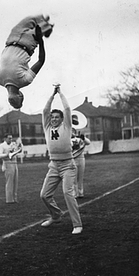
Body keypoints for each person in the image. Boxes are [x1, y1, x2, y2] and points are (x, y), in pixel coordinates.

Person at [40, 85, 83, 235]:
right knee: (44, 195)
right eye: (52, 117)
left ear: (62, 119)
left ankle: (77, 224)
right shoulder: (47, 127)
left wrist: (60, 94)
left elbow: (67, 109)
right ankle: (56, 215)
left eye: (57, 117)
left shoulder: (67, 126)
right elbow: (45, 111)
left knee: (67, 193)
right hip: (53, 166)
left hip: (68, 165)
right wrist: (52, 96)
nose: (54, 119)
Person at [0, 14, 54, 109]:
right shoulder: (23, 80)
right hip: (28, 42)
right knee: (41, 25)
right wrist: (40, 40)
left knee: (34, 17)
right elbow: (40, 61)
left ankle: (46, 27)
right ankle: (47, 27)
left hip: (12, 39)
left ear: (20, 95)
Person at [0, 134, 23, 204]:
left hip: (14, 163)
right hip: (7, 163)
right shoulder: (2, 146)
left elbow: (19, 151)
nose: (10, 140)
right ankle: (9, 199)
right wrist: (6, 155)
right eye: (9, 138)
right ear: (5, 139)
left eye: (11, 138)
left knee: (15, 182)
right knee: (9, 182)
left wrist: (20, 146)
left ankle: (14, 198)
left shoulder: (13, 144)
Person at [71, 128, 91, 198]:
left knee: (80, 177)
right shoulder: (68, 139)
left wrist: (84, 138)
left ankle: (80, 192)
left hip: (81, 158)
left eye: (73, 131)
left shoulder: (80, 138)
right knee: (74, 178)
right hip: (73, 159)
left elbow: (88, 142)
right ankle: (75, 193)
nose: (72, 132)